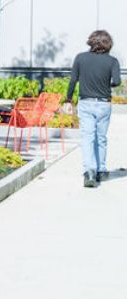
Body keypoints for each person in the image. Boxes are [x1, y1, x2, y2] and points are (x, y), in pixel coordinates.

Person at [66, 30, 121, 188]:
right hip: (104, 104)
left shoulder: (80, 58)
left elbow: (73, 80)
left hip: (86, 103)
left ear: (91, 41)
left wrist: (68, 100)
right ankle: (101, 171)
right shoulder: (112, 61)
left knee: (87, 138)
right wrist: (107, 84)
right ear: (108, 43)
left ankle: (89, 171)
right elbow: (117, 82)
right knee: (101, 137)